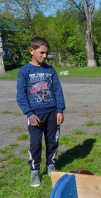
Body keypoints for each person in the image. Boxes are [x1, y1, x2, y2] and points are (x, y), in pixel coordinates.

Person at [16, 37, 66, 187]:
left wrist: (60, 110)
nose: (45, 56)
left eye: (46, 53)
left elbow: (58, 91)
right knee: (35, 143)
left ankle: (51, 165)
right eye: (41, 52)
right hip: (35, 115)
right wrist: (29, 113)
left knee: (52, 141)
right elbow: (21, 95)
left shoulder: (50, 70)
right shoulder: (25, 71)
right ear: (31, 50)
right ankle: (35, 171)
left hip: (52, 113)